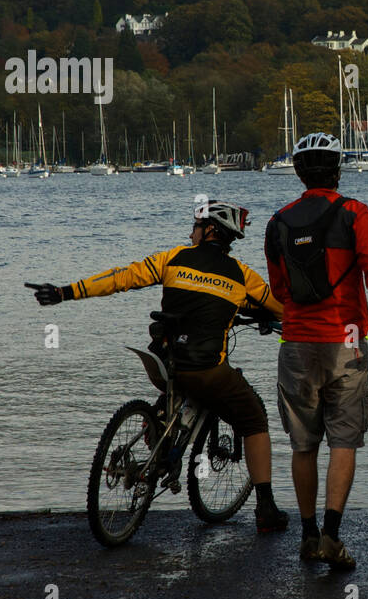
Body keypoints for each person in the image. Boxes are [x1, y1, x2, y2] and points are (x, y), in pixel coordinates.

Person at [28, 200, 292, 533]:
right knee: (254, 417)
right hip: (207, 371)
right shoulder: (242, 276)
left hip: (162, 363)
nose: (191, 232)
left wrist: (66, 292)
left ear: (209, 230)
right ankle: (266, 509)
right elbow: (281, 309)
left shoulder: (172, 259)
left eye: (195, 227)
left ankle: (159, 437)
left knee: (178, 387)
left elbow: (120, 278)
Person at [264, 132, 368, 569]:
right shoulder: (354, 213)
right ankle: (332, 538)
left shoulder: (277, 222)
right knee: (344, 441)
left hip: (294, 342)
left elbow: (279, 289)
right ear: (337, 170)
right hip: (346, 340)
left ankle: (308, 535)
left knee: (302, 444)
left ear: (298, 172)